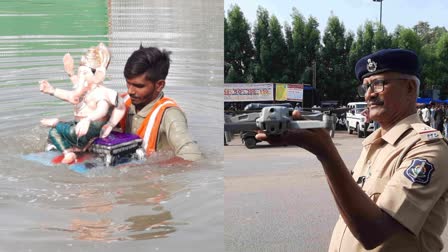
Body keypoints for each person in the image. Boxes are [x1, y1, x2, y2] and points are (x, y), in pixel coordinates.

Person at [257, 49, 448, 251]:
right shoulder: (374, 143)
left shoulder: (427, 149)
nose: (369, 94)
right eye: (365, 87)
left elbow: (373, 233)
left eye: (378, 84)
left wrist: (326, 154)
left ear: (409, 87)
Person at [39, 43, 125, 164]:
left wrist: (103, 123)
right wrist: (52, 90)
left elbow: (103, 110)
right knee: (53, 132)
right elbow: (70, 96)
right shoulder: (85, 90)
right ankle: (68, 153)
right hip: (80, 125)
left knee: (66, 130)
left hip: (93, 129)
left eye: (84, 73)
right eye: (80, 73)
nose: (81, 77)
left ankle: (57, 123)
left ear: (97, 75)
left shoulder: (101, 93)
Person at [118, 45, 202, 162]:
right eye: (128, 83)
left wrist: (147, 168)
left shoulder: (170, 115)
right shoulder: (121, 103)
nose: (130, 91)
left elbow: (193, 157)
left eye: (139, 86)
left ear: (159, 85)